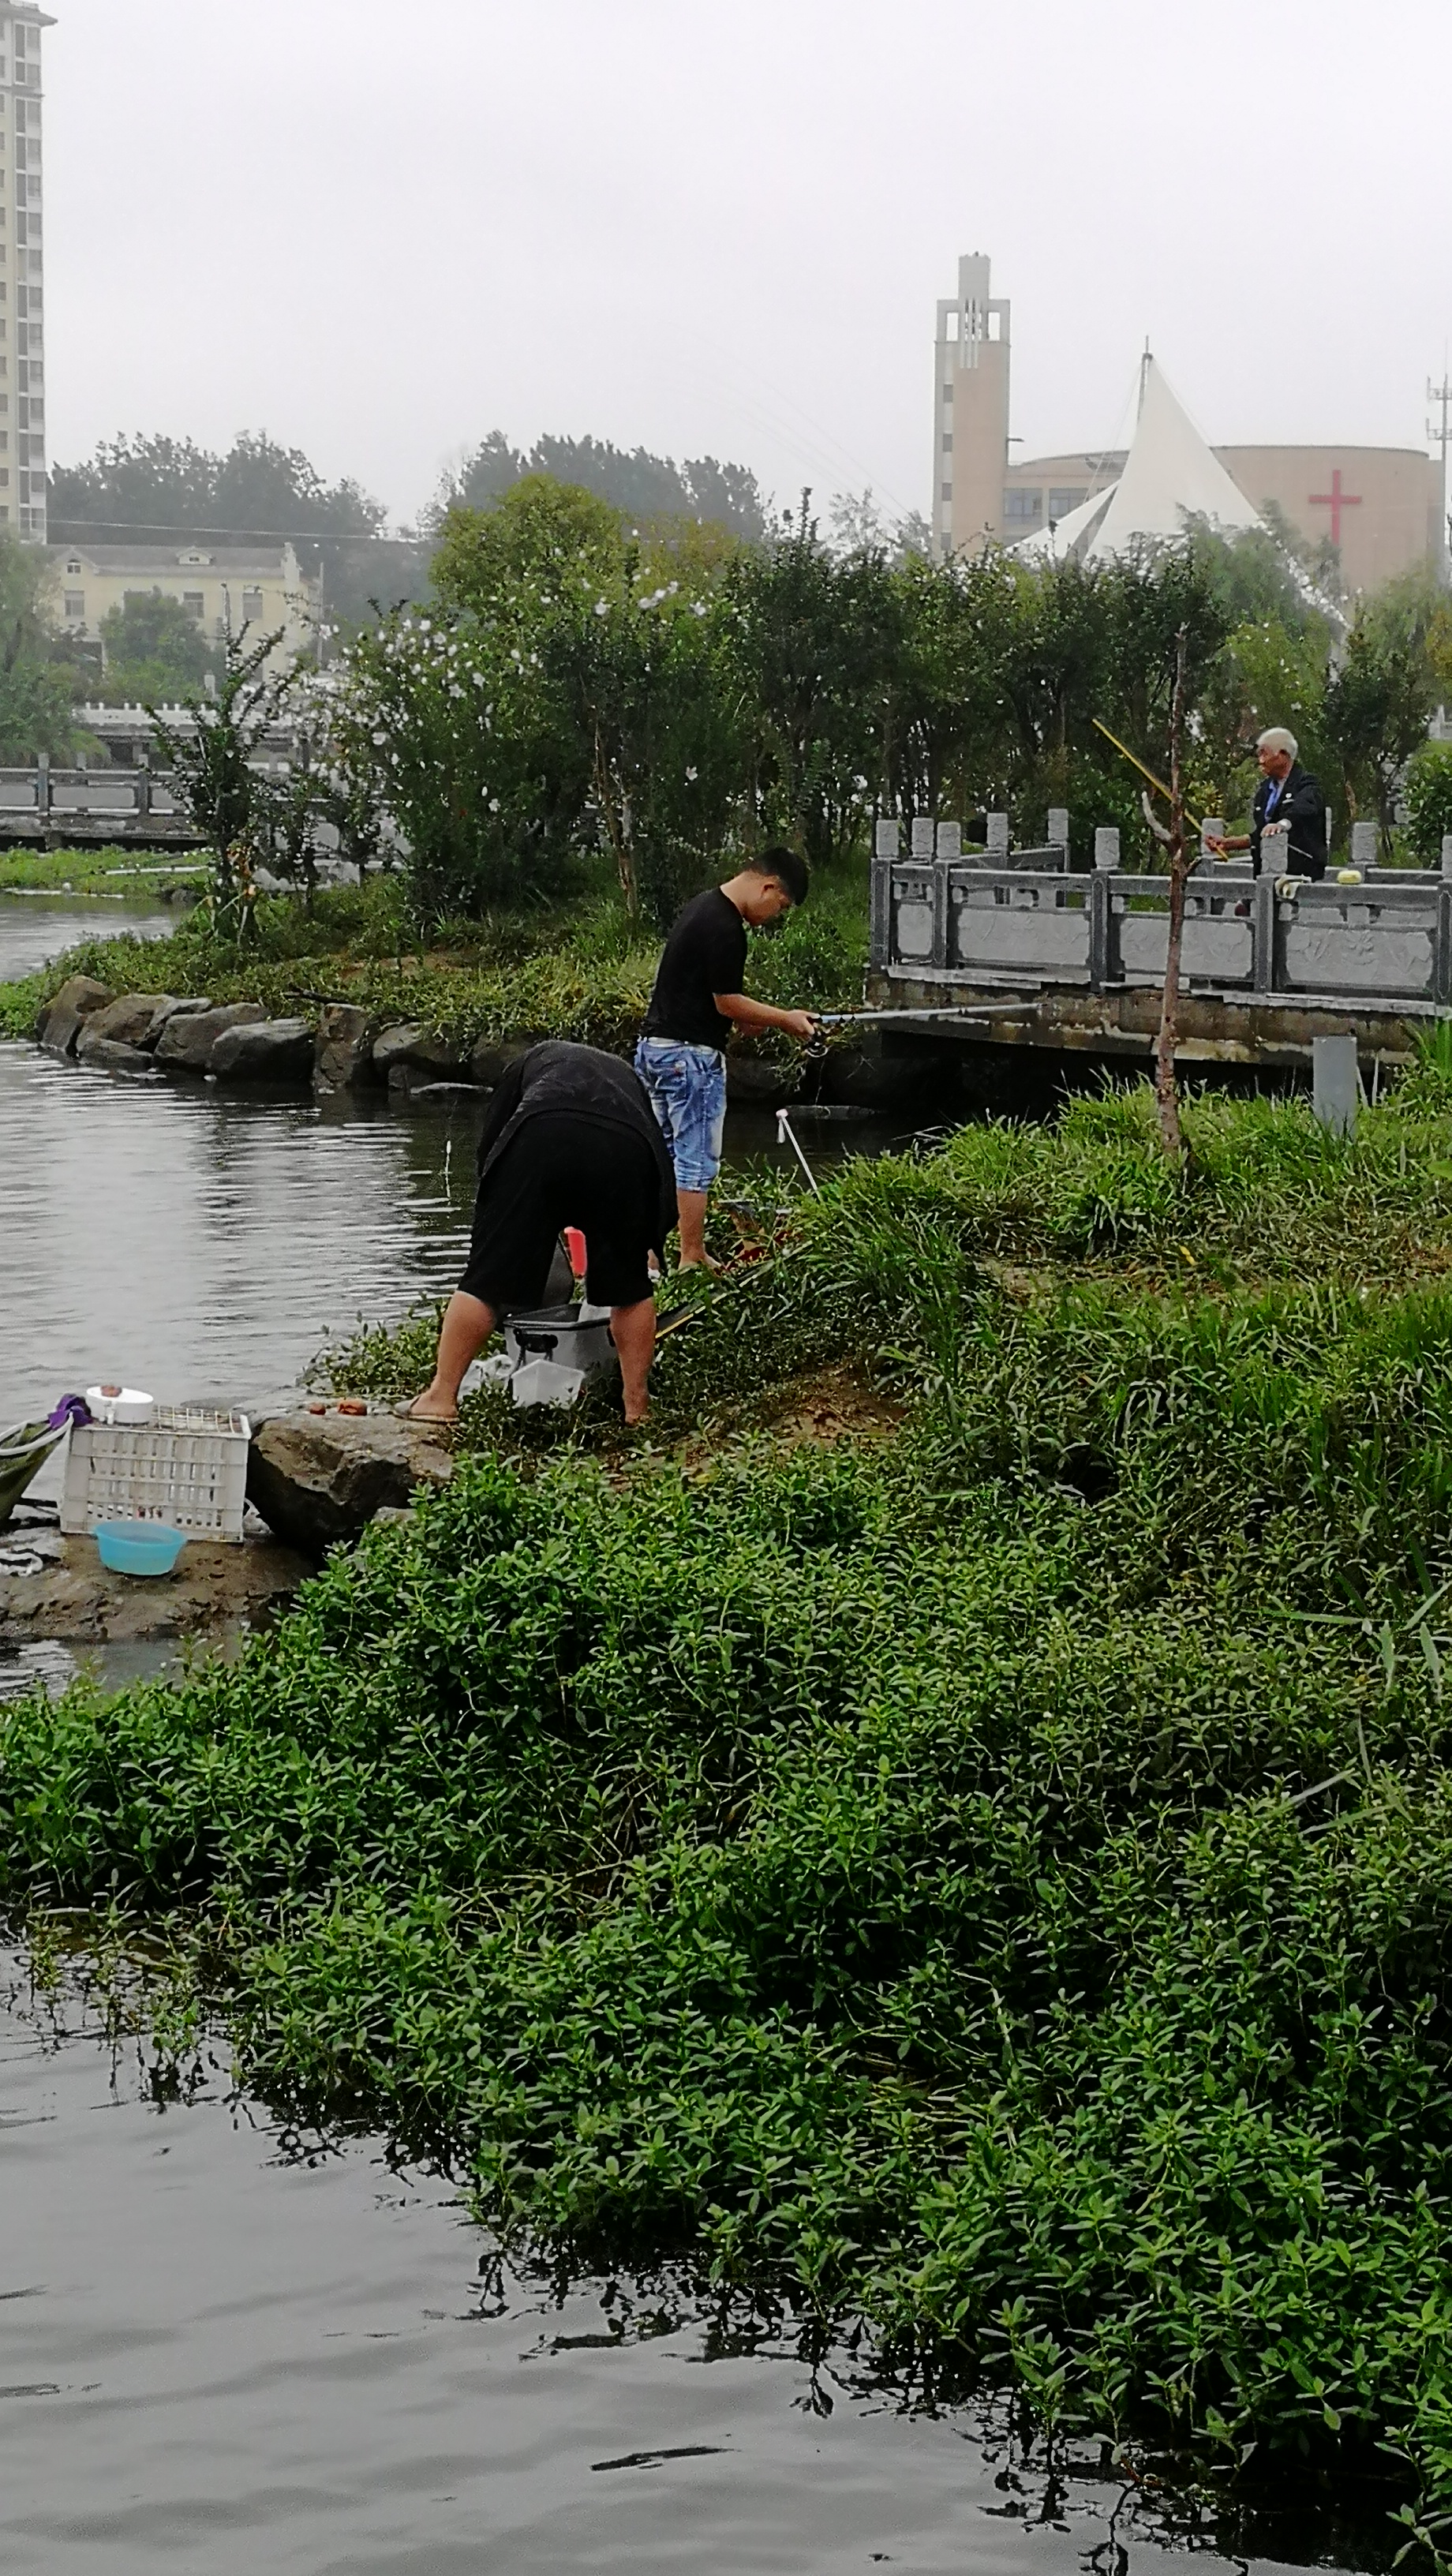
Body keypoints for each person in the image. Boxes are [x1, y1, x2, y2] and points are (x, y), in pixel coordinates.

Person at [407, 1039, 676, 1427]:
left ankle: (441, 1398)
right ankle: (637, 1407)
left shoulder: (524, 1068)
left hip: (540, 1133)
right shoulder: (627, 1079)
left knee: (485, 1283)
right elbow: (658, 1164)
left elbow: (492, 1153)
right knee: (629, 1289)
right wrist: (647, 1243)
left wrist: (501, 1239)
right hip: (625, 1148)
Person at [634, 848, 818, 1269]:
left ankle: (644, 1253)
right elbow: (726, 1002)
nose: (775, 915)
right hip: (690, 1060)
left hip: (655, 1051)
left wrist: (750, 1019)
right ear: (768, 886)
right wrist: (786, 1019)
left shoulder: (701, 907)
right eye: (781, 906)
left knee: (656, 1156)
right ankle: (692, 1256)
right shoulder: (726, 927)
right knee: (694, 1159)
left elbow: (707, 996)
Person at [1207, 728, 1327, 880]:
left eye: (1265, 753)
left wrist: (1282, 824)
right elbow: (1263, 834)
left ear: (1283, 755)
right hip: (1265, 875)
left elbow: (1306, 806)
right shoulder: (1265, 790)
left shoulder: (1307, 783)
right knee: (1241, 905)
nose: (1261, 760)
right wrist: (1228, 844)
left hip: (1301, 877)